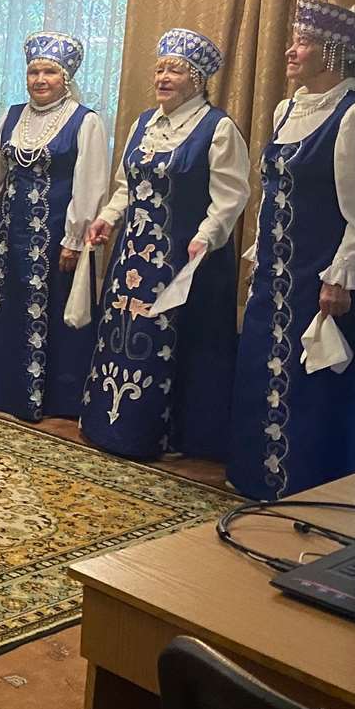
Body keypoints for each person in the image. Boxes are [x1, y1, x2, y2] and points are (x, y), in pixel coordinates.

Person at [230, 0, 355, 499]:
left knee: (312, 377)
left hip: (321, 273)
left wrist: (340, 277)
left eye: (303, 43)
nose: (290, 51)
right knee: (262, 367)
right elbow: (273, 193)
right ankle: (257, 478)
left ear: (332, 52)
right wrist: (258, 253)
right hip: (276, 270)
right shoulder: (287, 108)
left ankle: (306, 486)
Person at [82, 29, 248, 460]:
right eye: (160, 69)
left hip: (184, 258)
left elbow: (231, 196)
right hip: (133, 255)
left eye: (175, 70)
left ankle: (166, 435)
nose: (163, 78)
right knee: (123, 335)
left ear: (198, 79)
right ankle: (110, 423)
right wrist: (107, 218)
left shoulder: (217, 128)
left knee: (171, 342)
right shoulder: (143, 124)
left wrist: (206, 236)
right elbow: (127, 185)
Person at [0, 31, 110, 423]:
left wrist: (75, 238)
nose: (40, 79)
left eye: (49, 72)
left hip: (56, 237)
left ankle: (50, 399)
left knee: (53, 312)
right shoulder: (12, 116)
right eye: (34, 72)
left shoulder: (85, 121)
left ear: (66, 77)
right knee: (5, 307)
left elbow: (91, 181)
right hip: (9, 235)